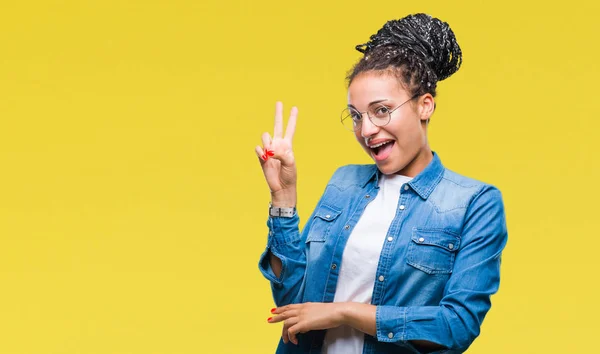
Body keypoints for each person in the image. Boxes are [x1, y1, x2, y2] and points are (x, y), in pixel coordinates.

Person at [255, 13, 508, 354]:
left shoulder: (474, 203)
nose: (366, 130)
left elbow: (456, 326)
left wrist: (344, 312)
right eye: (357, 116)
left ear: (425, 106)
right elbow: (294, 306)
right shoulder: (344, 182)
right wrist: (282, 198)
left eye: (381, 110)